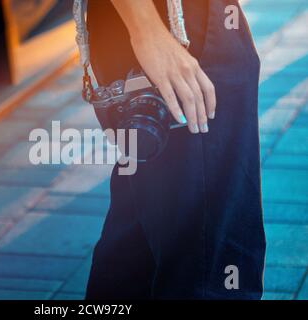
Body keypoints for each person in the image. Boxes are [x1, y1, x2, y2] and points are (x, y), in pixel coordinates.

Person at [85, 0, 266, 299]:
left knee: (140, 245)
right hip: (175, 26)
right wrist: (149, 33)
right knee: (210, 262)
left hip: (173, 25)